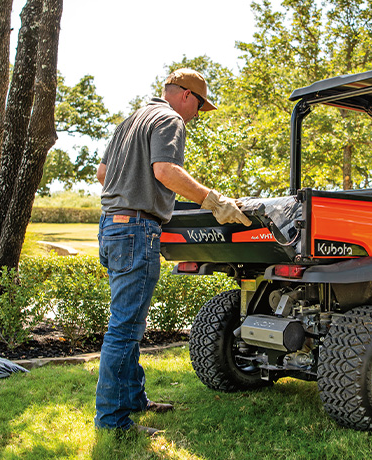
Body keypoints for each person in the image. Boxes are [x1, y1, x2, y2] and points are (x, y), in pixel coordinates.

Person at [94, 68, 250, 436]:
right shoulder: (170, 119)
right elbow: (164, 170)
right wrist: (213, 201)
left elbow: (103, 173)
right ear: (185, 96)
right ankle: (113, 422)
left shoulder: (131, 121)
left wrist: (136, 191)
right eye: (199, 106)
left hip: (111, 226)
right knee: (124, 328)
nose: (196, 115)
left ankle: (133, 400)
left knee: (128, 322)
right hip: (135, 230)